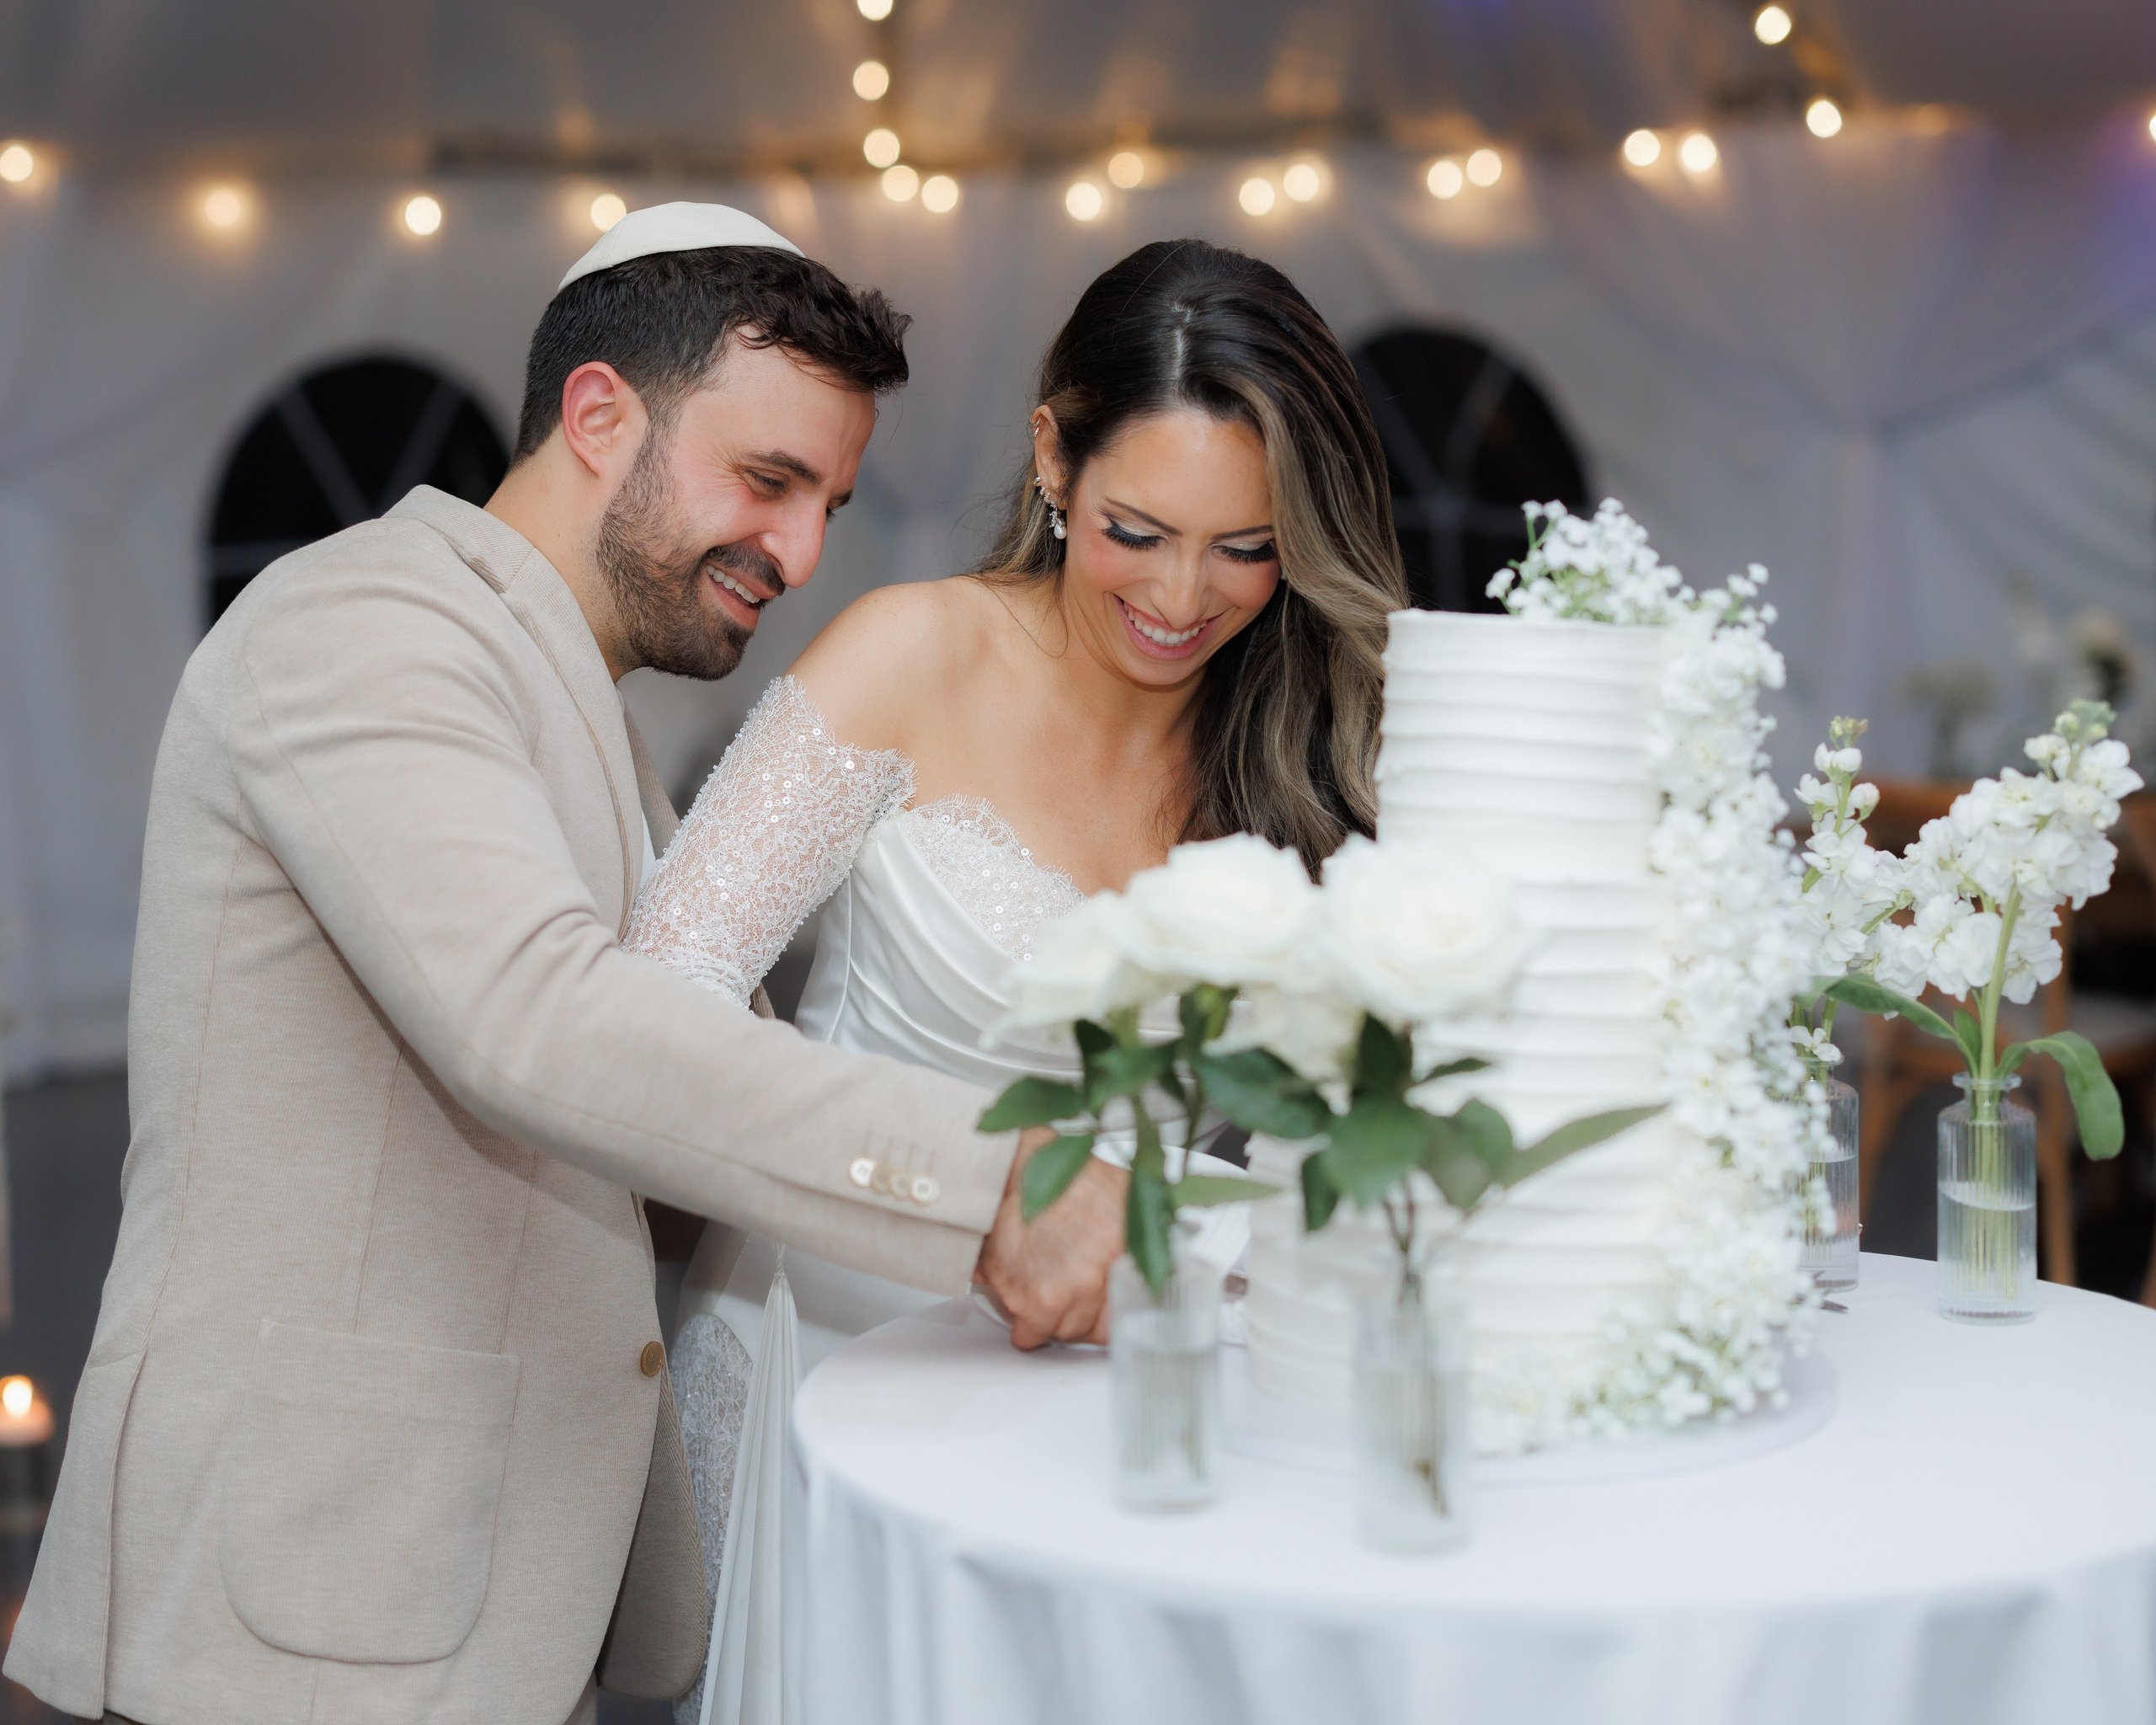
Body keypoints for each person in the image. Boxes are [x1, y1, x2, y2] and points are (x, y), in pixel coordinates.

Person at [1, 204, 1123, 1725]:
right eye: (768, 480)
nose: (798, 553)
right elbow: (542, 1026)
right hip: (296, 1609)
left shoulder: (575, 699)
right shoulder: (365, 622)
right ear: (601, 416)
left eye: (830, 507)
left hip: (472, 1592)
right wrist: (1000, 1181)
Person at [627, 237, 1408, 1724]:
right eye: (1141, 528)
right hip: (836, 1366)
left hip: (1141, 1382)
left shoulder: (1296, 744)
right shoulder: (908, 657)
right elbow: (655, 1015)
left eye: (1246, 548)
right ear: (1054, 455)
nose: (1186, 596)